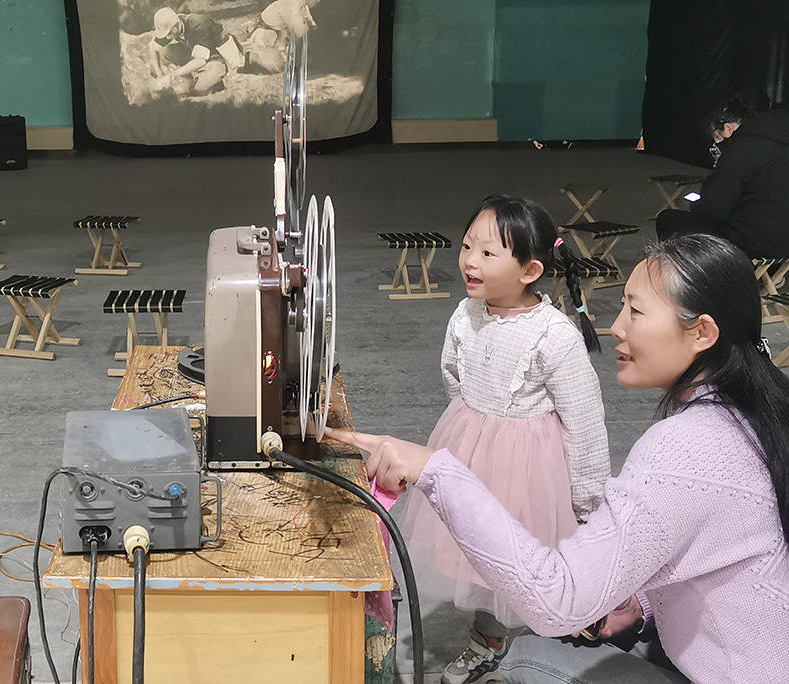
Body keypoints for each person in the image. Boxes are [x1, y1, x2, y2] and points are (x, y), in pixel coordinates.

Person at [327, 233, 789, 683]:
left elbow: (557, 600)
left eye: (636, 311)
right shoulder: (757, 411)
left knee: (529, 656)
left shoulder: (686, 447)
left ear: (702, 332)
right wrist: (643, 603)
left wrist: (437, 470)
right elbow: (726, 552)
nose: (617, 326)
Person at [397, 195, 610, 684]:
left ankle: (528, 634)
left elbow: (585, 420)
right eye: (467, 246)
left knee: (518, 560)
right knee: (477, 555)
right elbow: (453, 376)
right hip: (471, 449)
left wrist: (588, 502)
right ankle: (488, 637)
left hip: (529, 471)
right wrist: (471, 427)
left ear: (530, 270)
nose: (470, 261)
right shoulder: (465, 313)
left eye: (488, 253)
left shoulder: (554, 335)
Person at [655, 94, 789, 258]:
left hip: (756, 242)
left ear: (728, 128)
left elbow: (713, 211)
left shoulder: (744, 149)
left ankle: (706, 270)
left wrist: (699, 204)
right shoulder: (776, 136)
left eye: (718, 137)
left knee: (668, 220)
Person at [148, 7, 229, 95]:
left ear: (175, 27)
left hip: (214, 57)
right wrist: (159, 73)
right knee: (166, 51)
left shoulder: (198, 24)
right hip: (195, 54)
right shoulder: (172, 25)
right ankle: (191, 79)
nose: (167, 37)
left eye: (168, 34)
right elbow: (153, 48)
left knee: (199, 89)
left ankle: (215, 82)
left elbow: (200, 61)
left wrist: (173, 75)